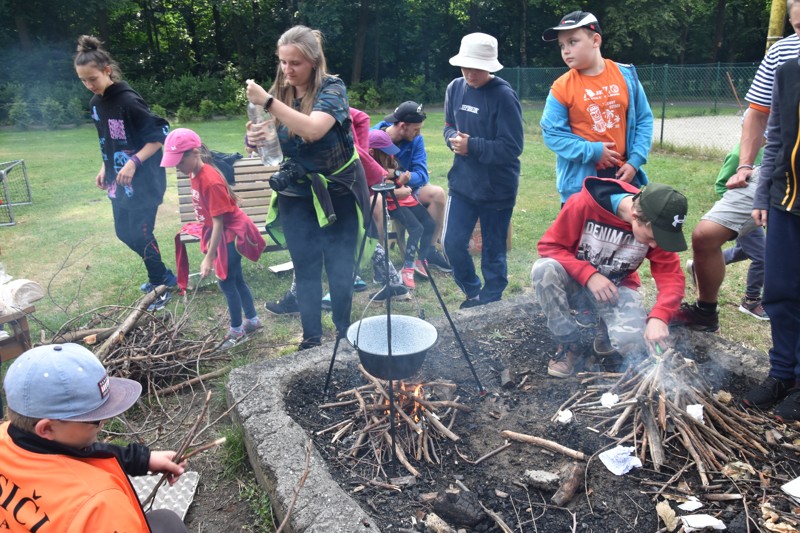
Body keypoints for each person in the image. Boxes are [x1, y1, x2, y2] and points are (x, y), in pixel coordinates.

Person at [672, 0, 800, 332]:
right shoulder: (781, 53)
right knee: (705, 235)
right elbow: (757, 115)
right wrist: (745, 165)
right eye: (798, 27)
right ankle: (705, 311)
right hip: (776, 166)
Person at [246, 25, 369, 349]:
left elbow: (313, 129)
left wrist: (269, 102)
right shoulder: (282, 91)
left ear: (313, 62)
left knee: (340, 266)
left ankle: (344, 331)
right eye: (283, 62)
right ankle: (311, 337)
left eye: (295, 63)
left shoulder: (333, 89)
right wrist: (255, 139)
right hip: (296, 195)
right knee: (306, 267)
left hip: (336, 193)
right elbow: (272, 140)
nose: (287, 70)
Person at [0, 343, 187, 532]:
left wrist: (141, 459)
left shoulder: (8, 435)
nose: (105, 421)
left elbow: (75, 451)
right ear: (47, 428)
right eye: (94, 419)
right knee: (167, 522)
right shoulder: (98, 505)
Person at [531, 179, 687, 378]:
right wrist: (589, 275)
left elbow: (671, 276)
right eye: (651, 239)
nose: (655, 246)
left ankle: (605, 326)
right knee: (543, 269)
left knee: (631, 342)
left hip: (615, 290)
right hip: (576, 283)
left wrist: (660, 316)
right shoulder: (582, 205)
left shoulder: (656, 224)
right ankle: (569, 342)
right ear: (635, 216)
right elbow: (549, 246)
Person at [74, 35, 176, 312]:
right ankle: (161, 273)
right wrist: (105, 166)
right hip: (117, 182)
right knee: (123, 232)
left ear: (107, 70)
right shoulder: (97, 103)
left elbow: (159, 136)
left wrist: (133, 162)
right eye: (83, 80)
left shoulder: (129, 101)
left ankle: (161, 282)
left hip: (144, 183)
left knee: (142, 233)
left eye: (92, 79)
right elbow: (109, 140)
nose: (89, 85)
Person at [161, 128, 266, 350]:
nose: (177, 168)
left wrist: (209, 258)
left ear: (195, 153)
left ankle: (237, 331)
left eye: (179, 162)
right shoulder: (194, 172)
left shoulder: (210, 181)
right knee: (236, 280)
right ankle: (253, 321)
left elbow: (219, 223)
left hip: (230, 235)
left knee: (227, 282)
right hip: (221, 232)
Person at [443, 32, 524, 309]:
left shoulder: (503, 95)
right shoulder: (454, 88)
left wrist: (472, 146)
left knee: (493, 250)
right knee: (452, 243)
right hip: (463, 184)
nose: (469, 72)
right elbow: (448, 125)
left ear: (490, 65)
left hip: (497, 187)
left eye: (476, 66)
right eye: (465, 65)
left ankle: (491, 299)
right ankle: (472, 290)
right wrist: (452, 139)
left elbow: (512, 147)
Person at [540, 11, 653, 204]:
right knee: (582, 235)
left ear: (595, 40)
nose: (565, 50)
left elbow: (644, 119)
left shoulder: (626, 76)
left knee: (628, 231)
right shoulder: (561, 87)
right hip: (581, 183)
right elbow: (552, 134)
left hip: (623, 176)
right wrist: (592, 151)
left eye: (572, 42)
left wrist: (635, 161)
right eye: (562, 45)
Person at [742, 55, 800, 423]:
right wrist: (764, 194)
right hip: (785, 200)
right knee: (779, 292)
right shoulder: (789, 71)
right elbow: (775, 134)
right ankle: (781, 374)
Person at [681, 136, 768, 330]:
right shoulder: (739, 154)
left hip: (761, 209)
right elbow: (723, 184)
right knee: (761, 255)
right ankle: (751, 300)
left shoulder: (765, 147)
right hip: (750, 206)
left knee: (748, 252)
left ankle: (699, 267)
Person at [373, 101, 451, 273]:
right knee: (377, 202)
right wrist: (393, 187)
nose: (419, 133)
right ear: (402, 126)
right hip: (381, 191)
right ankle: (380, 262)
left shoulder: (416, 139)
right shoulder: (374, 136)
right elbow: (370, 175)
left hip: (407, 187)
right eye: (416, 129)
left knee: (437, 193)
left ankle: (428, 251)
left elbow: (422, 175)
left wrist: (399, 176)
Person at [368, 129, 436, 290]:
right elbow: (378, 190)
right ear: (372, 152)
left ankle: (421, 259)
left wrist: (400, 177)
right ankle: (408, 267)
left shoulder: (388, 158)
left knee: (430, 224)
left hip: (406, 198)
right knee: (416, 228)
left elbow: (400, 170)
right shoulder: (370, 168)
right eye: (386, 153)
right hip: (392, 203)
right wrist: (399, 186)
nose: (390, 156)